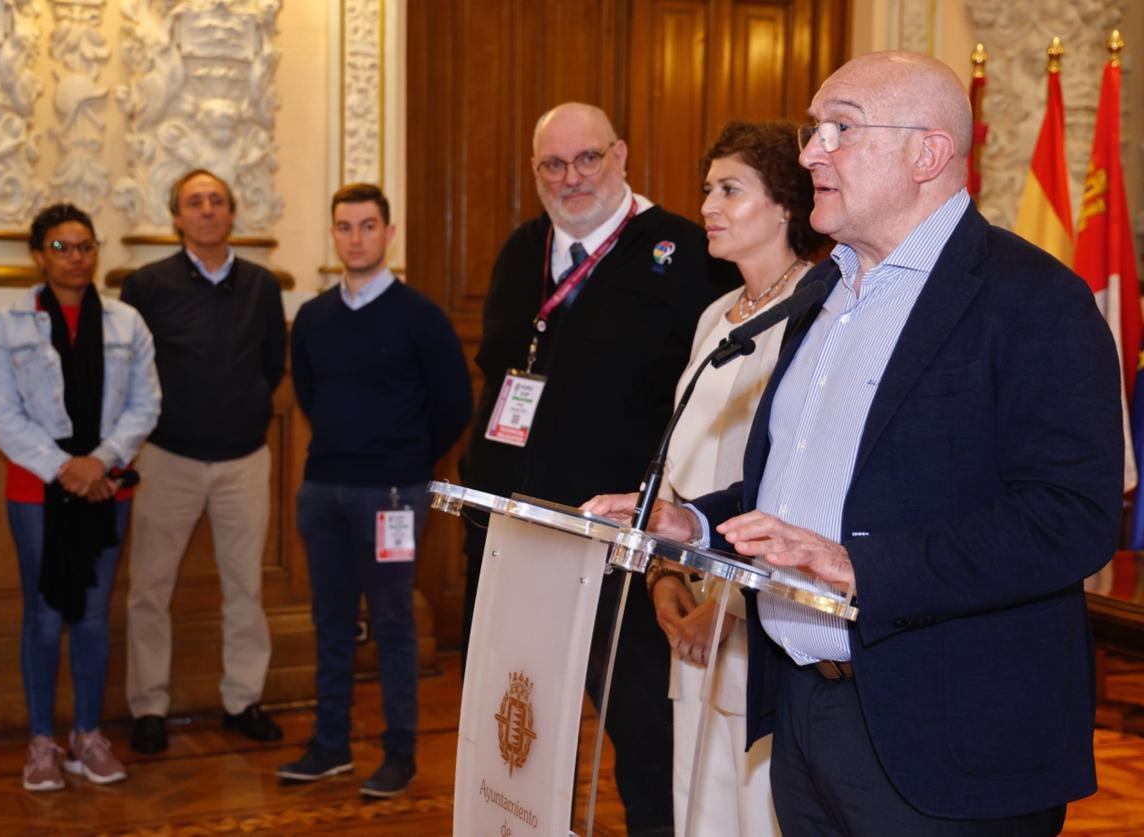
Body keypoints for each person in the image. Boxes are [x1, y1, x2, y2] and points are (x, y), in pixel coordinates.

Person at [585, 50, 1122, 836]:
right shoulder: (823, 294)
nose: (810, 153)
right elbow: (799, 487)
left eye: (841, 129)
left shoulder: (1033, 299)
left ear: (928, 153)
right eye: (812, 130)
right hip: (804, 712)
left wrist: (856, 565)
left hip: (949, 737)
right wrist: (692, 523)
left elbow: (1071, 516)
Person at [460, 101, 737, 835]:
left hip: (624, 545)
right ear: (534, 172)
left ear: (621, 155)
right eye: (553, 164)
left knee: (643, 732)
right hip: (517, 533)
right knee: (515, 722)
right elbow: (501, 377)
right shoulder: (523, 250)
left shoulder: (685, 251)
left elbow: (710, 403)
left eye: (588, 159)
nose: (571, 177)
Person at [650, 121, 825, 837]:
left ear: (785, 203)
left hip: (758, 604)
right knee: (696, 796)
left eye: (730, 189)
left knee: (754, 804)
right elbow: (682, 454)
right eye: (706, 190)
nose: (708, 207)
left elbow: (792, 480)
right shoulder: (717, 315)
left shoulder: (816, 310)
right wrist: (664, 576)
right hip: (688, 588)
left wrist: (722, 609)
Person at [277, 183, 472, 797]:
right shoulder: (312, 317)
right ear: (332, 234)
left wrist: (405, 460)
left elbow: (453, 405)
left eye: (367, 226)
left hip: (392, 495)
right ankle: (329, 746)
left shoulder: (420, 317)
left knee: (393, 624)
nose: (355, 237)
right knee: (331, 621)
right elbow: (309, 396)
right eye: (344, 226)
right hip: (323, 493)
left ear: (389, 234)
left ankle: (399, 754)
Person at [0, 203, 160, 791]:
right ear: (39, 256)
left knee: (92, 614)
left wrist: (98, 463)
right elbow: (2, 414)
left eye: (85, 246)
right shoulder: (7, 325)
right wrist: (65, 468)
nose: (76, 256)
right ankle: (41, 742)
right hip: (37, 490)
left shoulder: (128, 323)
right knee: (45, 613)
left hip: (107, 484)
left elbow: (145, 405)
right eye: (62, 247)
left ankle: (87, 735)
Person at [120, 169, 288, 754]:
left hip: (244, 460)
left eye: (218, 200)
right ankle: (149, 706)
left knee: (245, 587)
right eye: (196, 202)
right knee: (149, 588)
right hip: (168, 458)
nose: (208, 210)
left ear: (232, 213)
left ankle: (243, 699)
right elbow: (132, 370)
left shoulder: (262, 286)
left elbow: (272, 367)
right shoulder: (147, 284)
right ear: (177, 217)